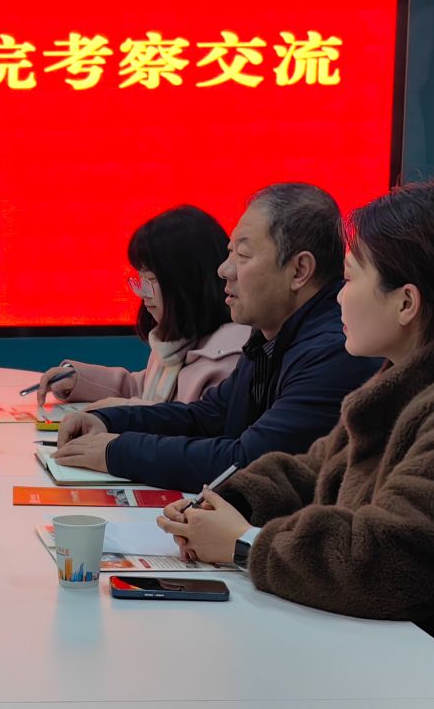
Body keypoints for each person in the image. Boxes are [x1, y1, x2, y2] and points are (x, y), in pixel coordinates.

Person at [159, 173, 434, 709]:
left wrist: (246, 543)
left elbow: (389, 560)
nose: (338, 297)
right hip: (402, 680)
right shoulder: (409, 383)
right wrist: (232, 502)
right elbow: (315, 469)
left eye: (349, 279)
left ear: (406, 303)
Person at [54, 183, 381, 492]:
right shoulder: (270, 336)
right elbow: (206, 416)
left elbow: (248, 462)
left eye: (243, 255)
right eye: (229, 252)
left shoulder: (334, 352)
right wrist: (108, 420)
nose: (224, 270)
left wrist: (116, 451)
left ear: (299, 271)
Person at [32, 205, 251, 408]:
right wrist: (77, 379)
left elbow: (189, 424)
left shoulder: (228, 360)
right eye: (140, 279)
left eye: (152, 279)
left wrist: (119, 411)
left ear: (188, 281)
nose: (143, 293)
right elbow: (142, 390)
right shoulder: (179, 341)